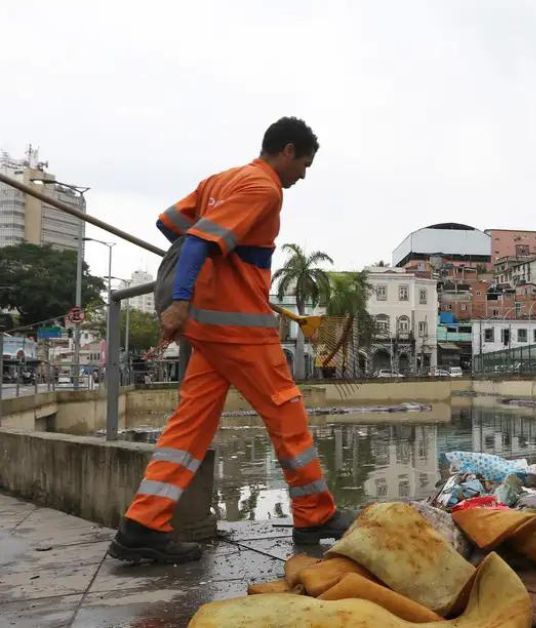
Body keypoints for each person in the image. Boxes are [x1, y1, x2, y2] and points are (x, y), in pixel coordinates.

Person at [108, 117, 354, 564]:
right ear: (287, 151)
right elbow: (199, 241)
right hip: (239, 328)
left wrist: (223, 257)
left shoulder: (219, 181)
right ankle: (314, 513)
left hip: (209, 331)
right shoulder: (263, 188)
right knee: (286, 410)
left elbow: (171, 225)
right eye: (304, 164)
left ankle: (141, 526)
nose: (303, 174)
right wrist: (181, 297)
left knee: (190, 426)